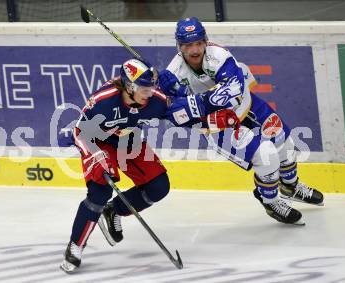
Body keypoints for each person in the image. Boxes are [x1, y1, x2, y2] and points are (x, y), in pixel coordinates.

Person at [58, 58, 238, 273]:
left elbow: (181, 116)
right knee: (99, 192)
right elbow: (80, 132)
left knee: (158, 186)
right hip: (98, 143)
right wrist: (94, 156)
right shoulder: (103, 101)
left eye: (152, 86)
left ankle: (114, 210)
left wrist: (211, 120)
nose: (151, 92)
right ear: (130, 86)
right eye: (145, 88)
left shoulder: (156, 100)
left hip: (129, 140)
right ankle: (75, 245)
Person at [159, 17, 324, 226]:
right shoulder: (174, 72)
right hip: (219, 126)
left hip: (245, 105)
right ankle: (271, 201)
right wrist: (171, 96)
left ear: (205, 41)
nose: (194, 50)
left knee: (285, 142)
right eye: (188, 45)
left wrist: (185, 98)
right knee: (266, 155)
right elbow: (174, 115)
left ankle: (290, 186)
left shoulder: (219, 56)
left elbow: (232, 91)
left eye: (198, 43)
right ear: (179, 46)